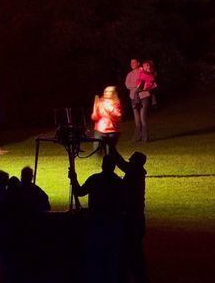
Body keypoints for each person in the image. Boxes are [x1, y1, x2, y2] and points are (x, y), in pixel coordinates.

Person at [71, 153, 125, 283]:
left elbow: (79, 192)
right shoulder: (118, 183)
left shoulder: (95, 180)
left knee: (95, 257)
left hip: (96, 223)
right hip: (112, 224)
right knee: (111, 258)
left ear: (102, 165)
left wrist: (74, 179)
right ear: (113, 167)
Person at [115, 150, 148, 282]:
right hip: (136, 218)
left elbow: (122, 164)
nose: (129, 161)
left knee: (131, 249)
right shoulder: (136, 173)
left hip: (133, 218)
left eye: (132, 160)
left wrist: (112, 148)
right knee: (134, 249)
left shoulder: (135, 172)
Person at [91, 86, 122, 155]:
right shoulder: (99, 102)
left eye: (109, 91)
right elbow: (94, 117)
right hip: (100, 130)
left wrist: (109, 107)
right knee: (97, 151)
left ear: (114, 93)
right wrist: (95, 111)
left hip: (112, 131)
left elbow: (118, 115)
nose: (106, 93)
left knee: (110, 152)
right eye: (105, 91)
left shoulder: (116, 103)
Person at [137, 62, 157, 142]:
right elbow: (139, 83)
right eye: (144, 65)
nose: (145, 67)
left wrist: (141, 72)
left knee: (143, 118)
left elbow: (143, 85)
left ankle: (145, 138)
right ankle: (143, 137)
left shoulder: (150, 75)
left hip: (145, 97)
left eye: (147, 65)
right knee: (141, 119)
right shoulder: (144, 74)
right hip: (140, 96)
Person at [125, 59, 142, 139]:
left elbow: (143, 83)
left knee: (142, 116)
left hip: (142, 96)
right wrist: (136, 85)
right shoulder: (129, 74)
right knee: (136, 117)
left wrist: (137, 85)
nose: (132, 64)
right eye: (131, 62)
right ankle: (138, 134)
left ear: (138, 63)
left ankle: (141, 134)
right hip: (133, 97)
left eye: (134, 62)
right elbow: (127, 85)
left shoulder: (141, 71)